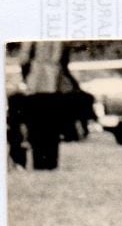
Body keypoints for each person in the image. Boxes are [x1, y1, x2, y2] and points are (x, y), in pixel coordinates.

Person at [15, 40, 76, 170]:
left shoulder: (31, 38)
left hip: (35, 86)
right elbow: (65, 60)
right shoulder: (60, 39)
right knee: (52, 129)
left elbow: (24, 60)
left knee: (37, 128)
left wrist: (26, 78)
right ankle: (51, 163)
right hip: (55, 85)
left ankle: (39, 163)